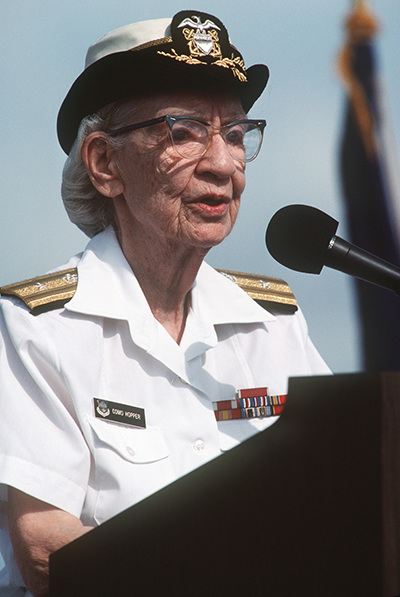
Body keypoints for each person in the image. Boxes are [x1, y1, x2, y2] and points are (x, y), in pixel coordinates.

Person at [0, 10, 330, 597]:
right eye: (184, 132)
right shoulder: (34, 327)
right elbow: (46, 548)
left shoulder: (272, 323)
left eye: (234, 134)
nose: (224, 165)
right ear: (105, 164)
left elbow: (347, 493)